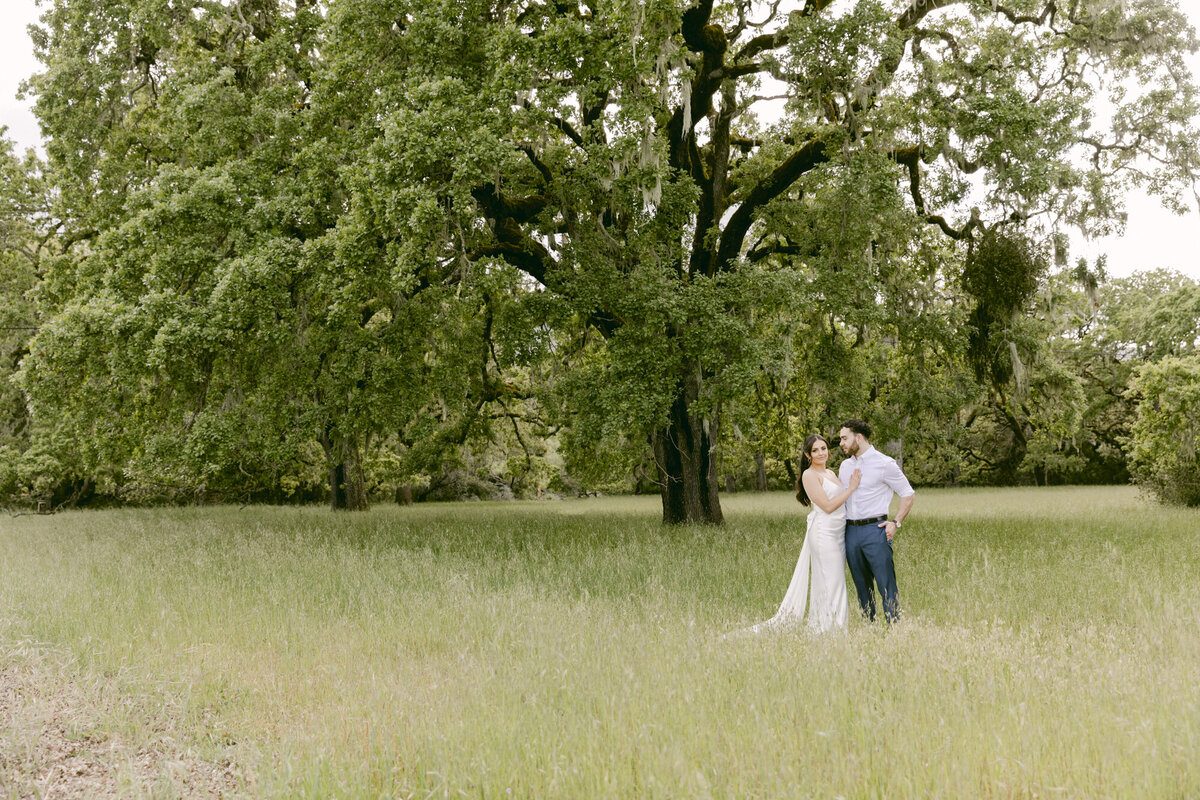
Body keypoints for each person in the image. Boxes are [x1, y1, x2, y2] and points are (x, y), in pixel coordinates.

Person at [746, 433, 860, 634]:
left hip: (838, 534)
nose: (820, 453)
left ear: (828, 450)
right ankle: (828, 630)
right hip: (823, 534)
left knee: (836, 581)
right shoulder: (809, 475)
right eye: (815, 450)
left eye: (823, 448)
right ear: (808, 455)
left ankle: (834, 627)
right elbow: (826, 506)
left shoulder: (831, 474)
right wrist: (851, 489)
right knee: (830, 580)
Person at [837, 418, 915, 623]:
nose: (841, 443)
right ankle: (869, 626)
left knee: (886, 583)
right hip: (850, 532)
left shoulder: (884, 463)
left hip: (876, 529)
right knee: (861, 586)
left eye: (845, 438)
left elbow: (907, 493)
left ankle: (894, 625)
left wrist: (895, 522)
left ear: (859, 437)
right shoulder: (844, 466)